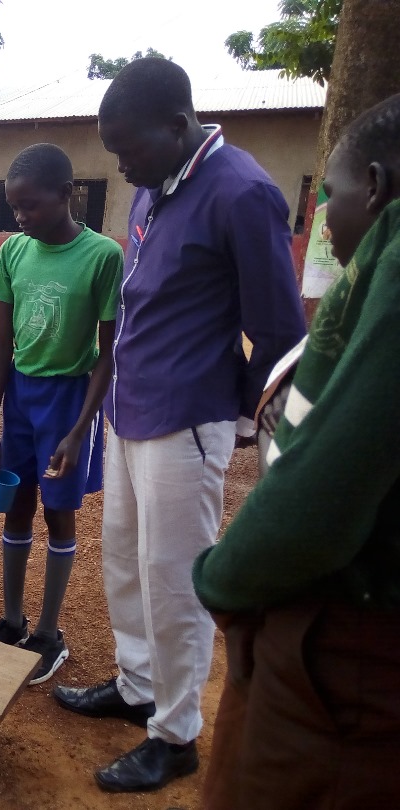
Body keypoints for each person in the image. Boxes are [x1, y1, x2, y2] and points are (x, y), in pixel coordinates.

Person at [50, 57, 307, 793]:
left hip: (187, 423)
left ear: (178, 123)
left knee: (176, 579)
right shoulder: (152, 190)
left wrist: (249, 424)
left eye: (129, 151)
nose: (122, 169)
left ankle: (177, 733)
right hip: (133, 411)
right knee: (126, 562)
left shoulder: (243, 193)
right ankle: (137, 687)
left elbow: (280, 331)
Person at [193, 93, 400, 810]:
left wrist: (223, 578)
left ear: (375, 186)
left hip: (349, 644)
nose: (323, 222)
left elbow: (329, 482)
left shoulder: (394, 268)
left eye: (331, 195)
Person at [0, 144, 122, 682]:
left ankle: (48, 633)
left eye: (31, 206)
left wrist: (80, 431)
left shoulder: (103, 256)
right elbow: (1, 344)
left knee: (59, 513)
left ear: (66, 195)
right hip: (20, 394)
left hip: (68, 401)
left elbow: (108, 355)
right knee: (16, 505)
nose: (21, 217)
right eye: (14, 208)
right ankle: (13, 620)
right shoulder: (15, 252)